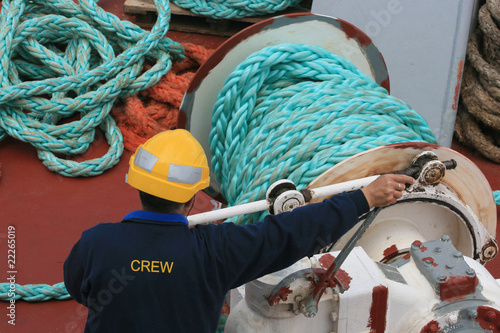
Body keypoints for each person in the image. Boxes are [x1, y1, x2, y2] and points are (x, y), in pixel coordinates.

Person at [63, 129, 414, 332]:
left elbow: (78, 289)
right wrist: (365, 198)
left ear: (139, 187)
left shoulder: (95, 243)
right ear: (192, 200)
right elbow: (291, 232)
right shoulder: (216, 251)